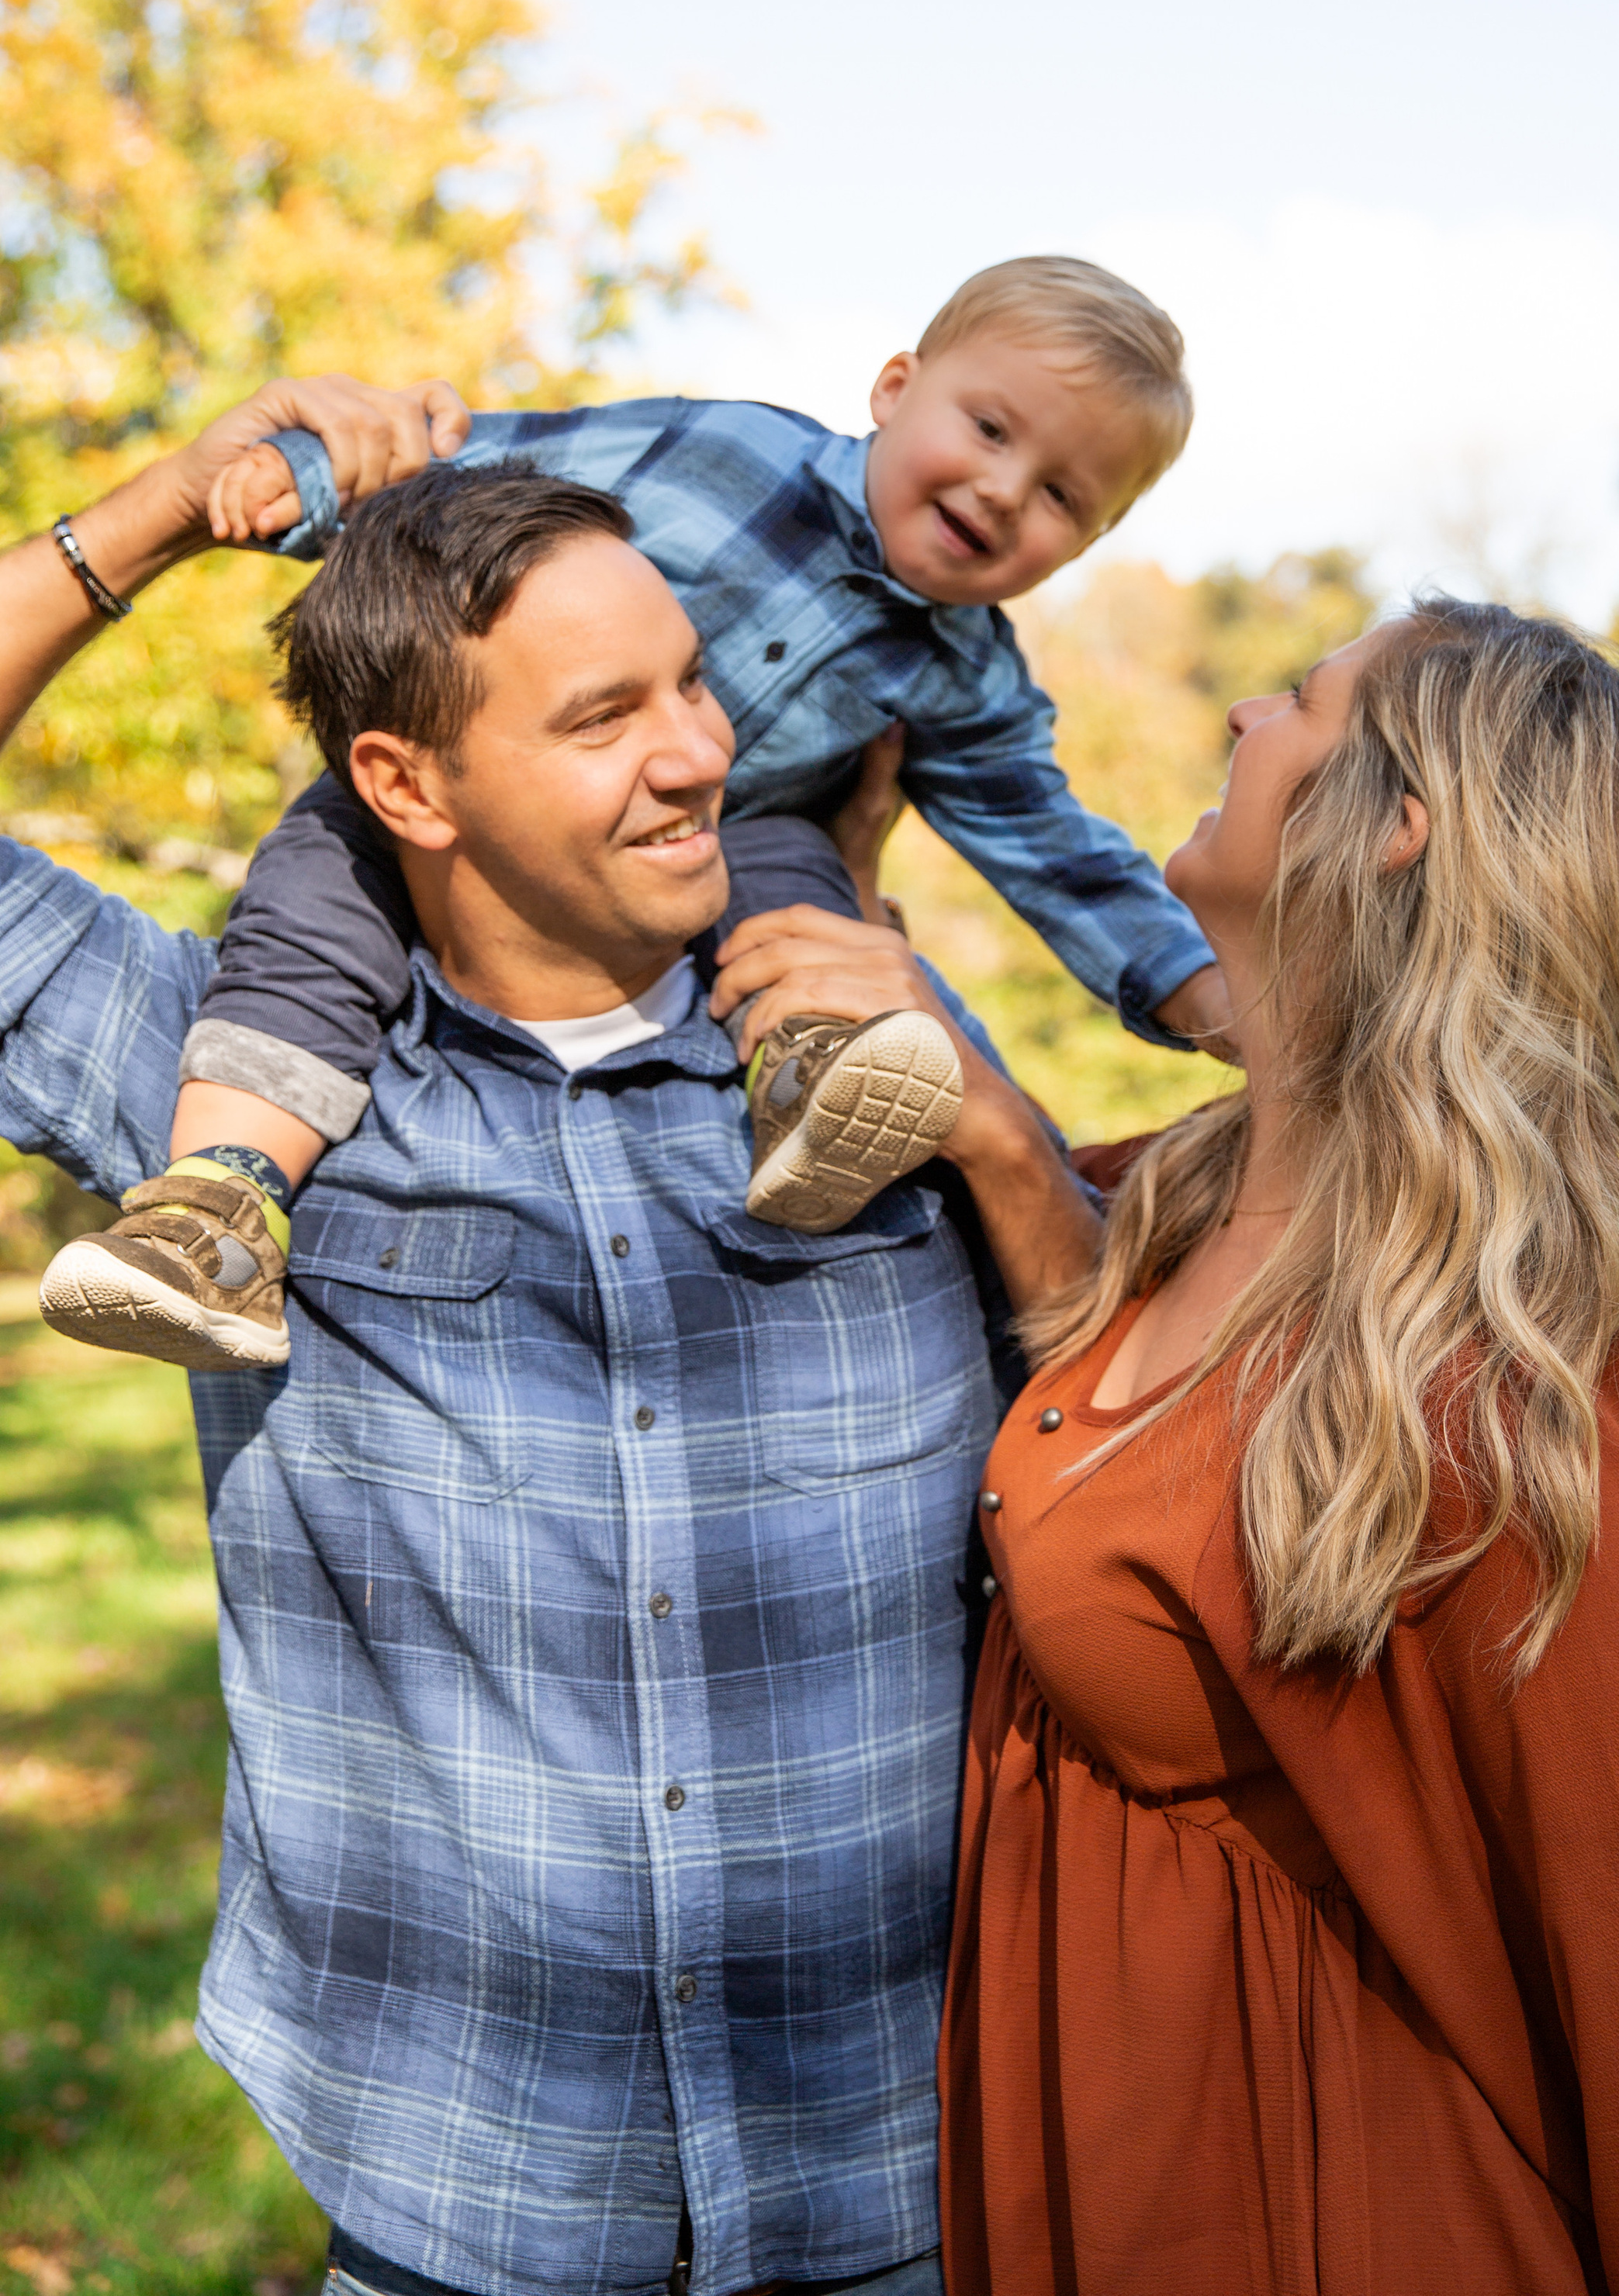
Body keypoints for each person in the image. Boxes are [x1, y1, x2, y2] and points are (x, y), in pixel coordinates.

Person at [0, 386, 1103, 2296]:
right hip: (459, 2189)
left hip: (906, 2179)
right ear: (408, 787)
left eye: (689, 683)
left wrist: (1001, 1142)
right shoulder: (228, 1092)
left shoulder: (869, 1059)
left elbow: (1124, 1453)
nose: (698, 757)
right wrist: (159, 516)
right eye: (605, 719)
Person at [941, 598, 1619, 2296]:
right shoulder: (1181, 1197)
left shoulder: (1471, 1387)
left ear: (1395, 821)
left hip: (1340, 2216)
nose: (1234, 707)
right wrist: (998, 1158)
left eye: (1295, 697)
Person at [40, 254, 1226, 1372]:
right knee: (305, 929)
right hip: (443, 810)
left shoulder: (971, 682)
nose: (1004, 490)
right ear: (897, 387)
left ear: (1094, 542)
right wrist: (286, 486)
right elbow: (475, 491)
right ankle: (218, 1205)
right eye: (989, 429)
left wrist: (1215, 1000)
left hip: (731, 855)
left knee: (796, 878)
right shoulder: (724, 450)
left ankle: (815, 1088)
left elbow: (1059, 855)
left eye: (1065, 495)